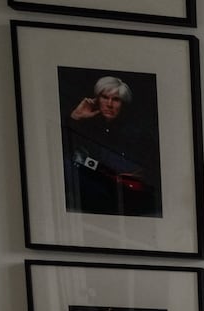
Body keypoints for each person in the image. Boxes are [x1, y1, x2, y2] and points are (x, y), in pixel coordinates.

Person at [61, 74, 162, 218]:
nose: (109, 104)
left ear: (123, 103)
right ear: (97, 100)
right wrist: (75, 117)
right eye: (104, 97)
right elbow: (58, 151)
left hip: (128, 203)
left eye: (116, 99)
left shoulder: (138, 134)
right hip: (89, 201)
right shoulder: (86, 126)